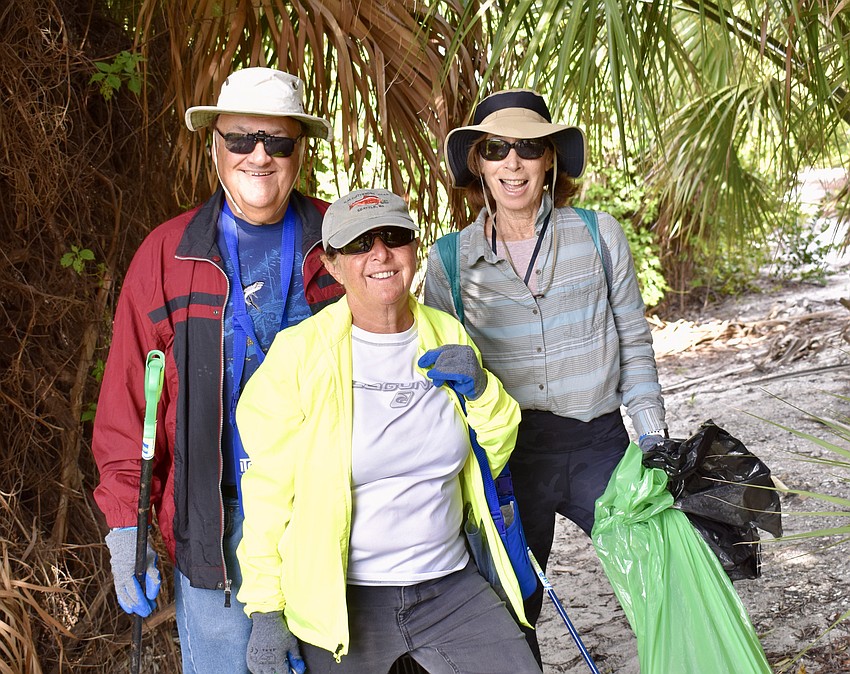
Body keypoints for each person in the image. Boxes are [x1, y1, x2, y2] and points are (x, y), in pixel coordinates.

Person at [91, 67, 343, 674]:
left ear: (299, 152)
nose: (259, 156)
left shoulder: (344, 241)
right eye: (241, 139)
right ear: (214, 147)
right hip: (215, 525)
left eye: (278, 142)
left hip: (330, 519)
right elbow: (131, 403)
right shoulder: (167, 255)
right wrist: (128, 527)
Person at [234, 188, 542, 674]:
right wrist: (267, 608)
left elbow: (494, 454)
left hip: (452, 584)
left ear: (413, 250)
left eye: (394, 237)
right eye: (359, 244)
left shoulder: (447, 334)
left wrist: (483, 391)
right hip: (348, 600)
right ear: (333, 265)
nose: (379, 253)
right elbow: (268, 494)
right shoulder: (298, 356)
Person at [423, 88, 668, 664]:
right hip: (508, 458)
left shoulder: (599, 234)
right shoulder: (449, 262)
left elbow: (633, 340)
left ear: (550, 159)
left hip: (599, 444)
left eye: (528, 147)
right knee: (509, 613)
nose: (513, 162)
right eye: (498, 148)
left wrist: (654, 435)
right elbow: (445, 384)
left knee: (659, 583)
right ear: (478, 162)